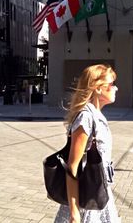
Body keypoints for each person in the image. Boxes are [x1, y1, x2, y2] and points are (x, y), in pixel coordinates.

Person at [54, 64, 120, 223]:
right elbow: (72, 166)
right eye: (111, 84)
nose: (116, 88)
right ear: (97, 88)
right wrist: (74, 212)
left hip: (98, 192)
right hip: (87, 197)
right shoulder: (86, 117)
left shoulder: (95, 115)